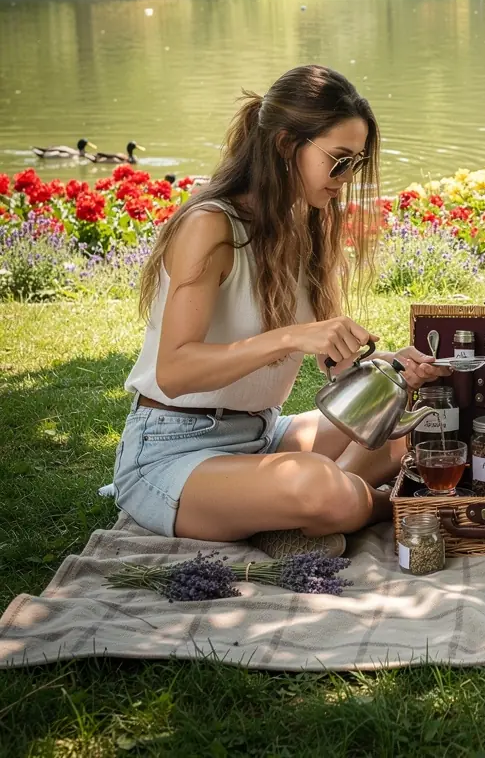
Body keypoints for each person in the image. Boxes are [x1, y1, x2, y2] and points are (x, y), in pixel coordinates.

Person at [110, 65, 445, 556]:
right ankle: (375, 506)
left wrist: (389, 370)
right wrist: (290, 336)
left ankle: (293, 516)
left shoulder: (305, 225)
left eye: (356, 162)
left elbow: (332, 365)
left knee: (400, 437)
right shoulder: (211, 225)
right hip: (173, 451)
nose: (346, 178)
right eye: (338, 161)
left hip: (262, 436)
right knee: (318, 484)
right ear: (287, 145)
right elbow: (175, 371)